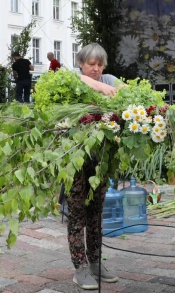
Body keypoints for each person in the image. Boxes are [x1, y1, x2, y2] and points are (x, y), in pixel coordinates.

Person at [67, 43, 120, 290]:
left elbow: (128, 92)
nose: (96, 69)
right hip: (75, 158)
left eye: (100, 64)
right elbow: (72, 80)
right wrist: (100, 87)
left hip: (100, 158)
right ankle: (80, 268)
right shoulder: (70, 78)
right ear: (80, 63)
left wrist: (110, 86)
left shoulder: (109, 78)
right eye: (91, 64)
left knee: (96, 211)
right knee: (77, 212)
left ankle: (97, 263)